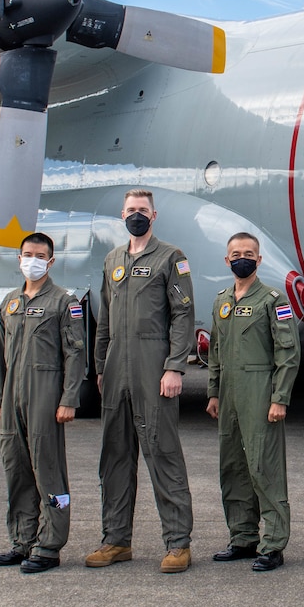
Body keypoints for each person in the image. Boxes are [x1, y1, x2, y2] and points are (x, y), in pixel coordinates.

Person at [88, 190, 198, 573]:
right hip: (117, 367)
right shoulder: (112, 260)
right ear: (122, 214)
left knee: (162, 452)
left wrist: (174, 367)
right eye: (131, 211)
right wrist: (101, 366)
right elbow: (104, 318)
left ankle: (177, 543)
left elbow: (182, 315)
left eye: (143, 211)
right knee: (115, 456)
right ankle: (116, 540)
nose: (137, 216)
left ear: (155, 215)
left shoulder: (171, 258)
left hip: (154, 365)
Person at [0, 233, 86, 574]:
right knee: (16, 469)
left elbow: (75, 353)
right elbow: (1, 356)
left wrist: (69, 398)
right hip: (12, 397)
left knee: (48, 470)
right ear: (19, 259)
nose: (33, 260)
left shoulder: (64, 302)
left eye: (40, 255)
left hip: (44, 397)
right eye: (27, 254)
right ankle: (22, 540)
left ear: (51, 261)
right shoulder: (10, 303)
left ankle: (49, 544)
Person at [204, 232, 299, 571]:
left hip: (260, 389)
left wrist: (280, 397)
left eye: (248, 253)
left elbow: (288, 354)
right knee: (233, 466)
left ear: (259, 260)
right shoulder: (221, 300)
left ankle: (273, 543)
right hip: (229, 392)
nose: (241, 257)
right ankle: (242, 536)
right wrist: (213, 392)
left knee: (264, 466)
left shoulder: (273, 300)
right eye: (235, 253)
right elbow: (215, 351)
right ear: (226, 260)